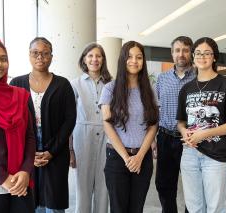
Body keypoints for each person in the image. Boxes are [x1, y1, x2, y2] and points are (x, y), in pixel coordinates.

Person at [10, 37, 77, 213]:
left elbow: (69, 120)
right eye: (35, 53)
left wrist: (52, 151)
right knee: (29, 195)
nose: (40, 57)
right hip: (25, 146)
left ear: (51, 56)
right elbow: (12, 120)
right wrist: (28, 153)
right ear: (29, 55)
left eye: (45, 53)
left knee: (53, 199)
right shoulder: (16, 84)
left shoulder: (63, 85)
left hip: (55, 146)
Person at [176, 37, 226, 213]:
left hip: (217, 156)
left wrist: (203, 134)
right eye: (198, 53)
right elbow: (181, 121)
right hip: (190, 154)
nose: (202, 56)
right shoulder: (187, 88)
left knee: (216, 208)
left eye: (207, 53)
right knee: (194, 207)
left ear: (214, 57)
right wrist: (184, 132)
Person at [99, 41, 158, 213]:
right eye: (130, 56)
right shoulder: (110, 89)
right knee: (118, 209)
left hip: (143, 157)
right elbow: (107, 125)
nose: (134, 61)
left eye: (139, 57)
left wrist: (139, 157)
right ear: (123, 59)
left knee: (136, 209)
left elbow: (153, 125)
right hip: (117, 158)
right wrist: (127, 158)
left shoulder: (150, 90)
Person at [0, 38, 35, 213]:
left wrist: (25, 171)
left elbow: (30, 137)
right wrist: (3, 178)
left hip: (21, 184)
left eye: (3, 58)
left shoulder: (19, 95)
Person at [70, 43, 112, 213]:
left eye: (98, 56)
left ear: (103, 60)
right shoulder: (74, 84)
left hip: (107, 136)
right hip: (82, 137)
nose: (94, 59)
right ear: (84, 60)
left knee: (104, 186)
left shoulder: (112, 84)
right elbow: (69, 119)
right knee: (83, 186)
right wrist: (70, 149)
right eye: (90, 56)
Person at [155, 36, 195, 213]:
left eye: (185, 50)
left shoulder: (199, 78)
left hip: (191, 140)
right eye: (177, 50)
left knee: (192, 185)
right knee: (164, 184)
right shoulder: (162, 79)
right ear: (172, 53)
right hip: (165, 137)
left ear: (191, 53)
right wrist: (152, 139)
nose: (181, 54)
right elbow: (155, 110)